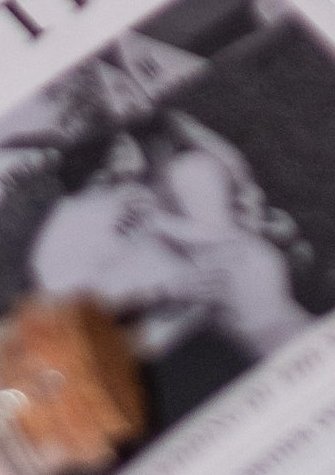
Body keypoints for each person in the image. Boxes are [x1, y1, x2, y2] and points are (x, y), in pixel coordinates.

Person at [29, 115, 310, 367]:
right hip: (180, 349)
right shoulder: (62, 239)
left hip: (221, 317)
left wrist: (252, 221)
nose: (128, 153)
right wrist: (165, 292)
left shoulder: (136, 189)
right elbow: (80, 314)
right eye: (120, 146)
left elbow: (214, 221)